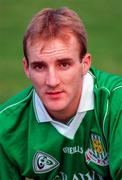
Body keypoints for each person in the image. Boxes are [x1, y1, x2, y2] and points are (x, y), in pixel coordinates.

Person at [0, 7, 122, 180]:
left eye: (64, 64)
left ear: (85, 64)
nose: (52, 81)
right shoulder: (6, 127)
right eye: (39, 66)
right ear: (27, 68)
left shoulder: (117, 104)